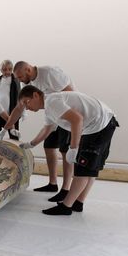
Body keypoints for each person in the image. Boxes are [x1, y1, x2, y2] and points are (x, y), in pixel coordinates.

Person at [17, 85, 119, 215]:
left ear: (36, 95)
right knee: (90, 168)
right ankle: (78, 203)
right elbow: (47, 129)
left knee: (83, 168)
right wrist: (31, 144)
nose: (27, 107)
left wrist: (73, 148)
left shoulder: (52, 102)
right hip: (103, 122)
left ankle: (66, 206)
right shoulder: (49, 108)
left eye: (27, 102)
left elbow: (77, 119)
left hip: (99, 124)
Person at [5, 61, 75, 202]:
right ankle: (53, 183)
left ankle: (66, 188)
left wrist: (62, 113)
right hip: (52, 114)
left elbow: (70, 94)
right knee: (49, 147)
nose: (19, 81)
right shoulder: (29, 83)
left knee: (65, 151)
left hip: (66, 114)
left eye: (20, 77)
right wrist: (6, 127)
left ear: (28, 70)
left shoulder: (50, 73)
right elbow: (19, 107)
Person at [0, 59, 21, 140]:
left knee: (14, 136)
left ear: (12, 69)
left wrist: (23, 110)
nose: (7, 71)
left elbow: (20, 94)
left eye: (9, 69)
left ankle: (15, 152)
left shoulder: (16, 80)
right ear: (1, 70)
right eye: (4, 69)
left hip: (12, 113)